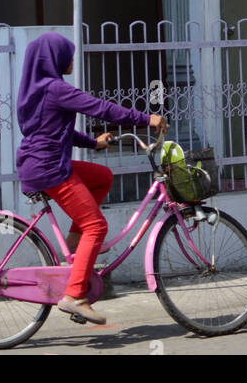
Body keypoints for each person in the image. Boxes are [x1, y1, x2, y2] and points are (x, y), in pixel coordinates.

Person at [14, 32, 167, 326]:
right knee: (96, 226)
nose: (72, 59)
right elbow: (101, 108)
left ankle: (74, 241)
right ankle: (74, 297)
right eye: (67, 54)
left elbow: (58, 131)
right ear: (54, 59)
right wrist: (146, 119)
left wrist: (92, 144)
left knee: (102, 176)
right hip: (48, 167)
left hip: (43, 162)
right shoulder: (55, 88)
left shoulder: (37, 90)